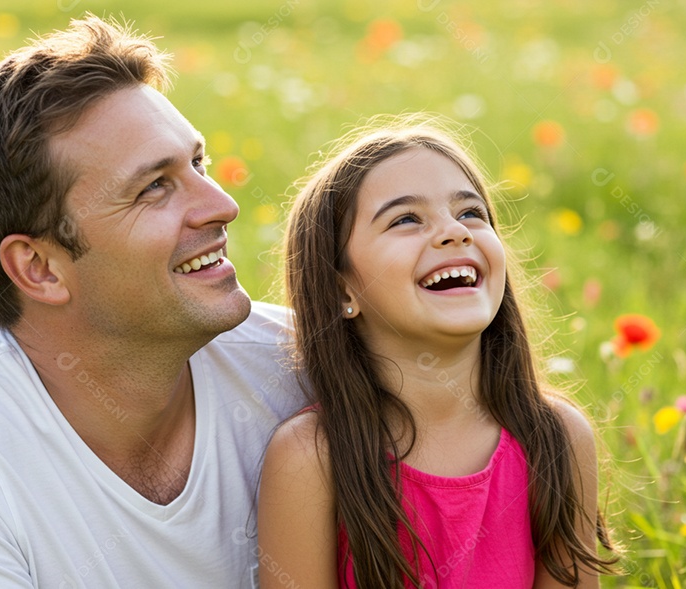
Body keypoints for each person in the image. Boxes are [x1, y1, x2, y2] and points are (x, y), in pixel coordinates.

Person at [0, 15, 304, 587]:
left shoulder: (298, 367)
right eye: (153, 187)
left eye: (197, 164)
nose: (221, 205)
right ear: (39, 268)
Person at [258, 119, 617, 588]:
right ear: (341, 287)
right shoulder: (312, 457)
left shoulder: (556, 439)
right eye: (406, 219)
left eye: (471, 213)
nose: (454, 232)